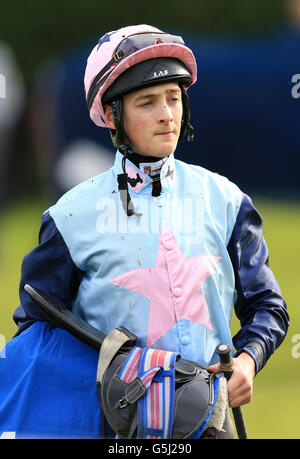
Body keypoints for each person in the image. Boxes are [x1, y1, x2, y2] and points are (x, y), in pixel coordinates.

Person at [0, 24, 289, 439]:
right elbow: (39, 338)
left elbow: (268, 307)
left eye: (174, 98)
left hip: (210, 418)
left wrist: (247, 361)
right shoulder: (69, 217)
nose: (167, 114)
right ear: (113, 116)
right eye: (148, 102)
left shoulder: (227, 200)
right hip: (117, 423)